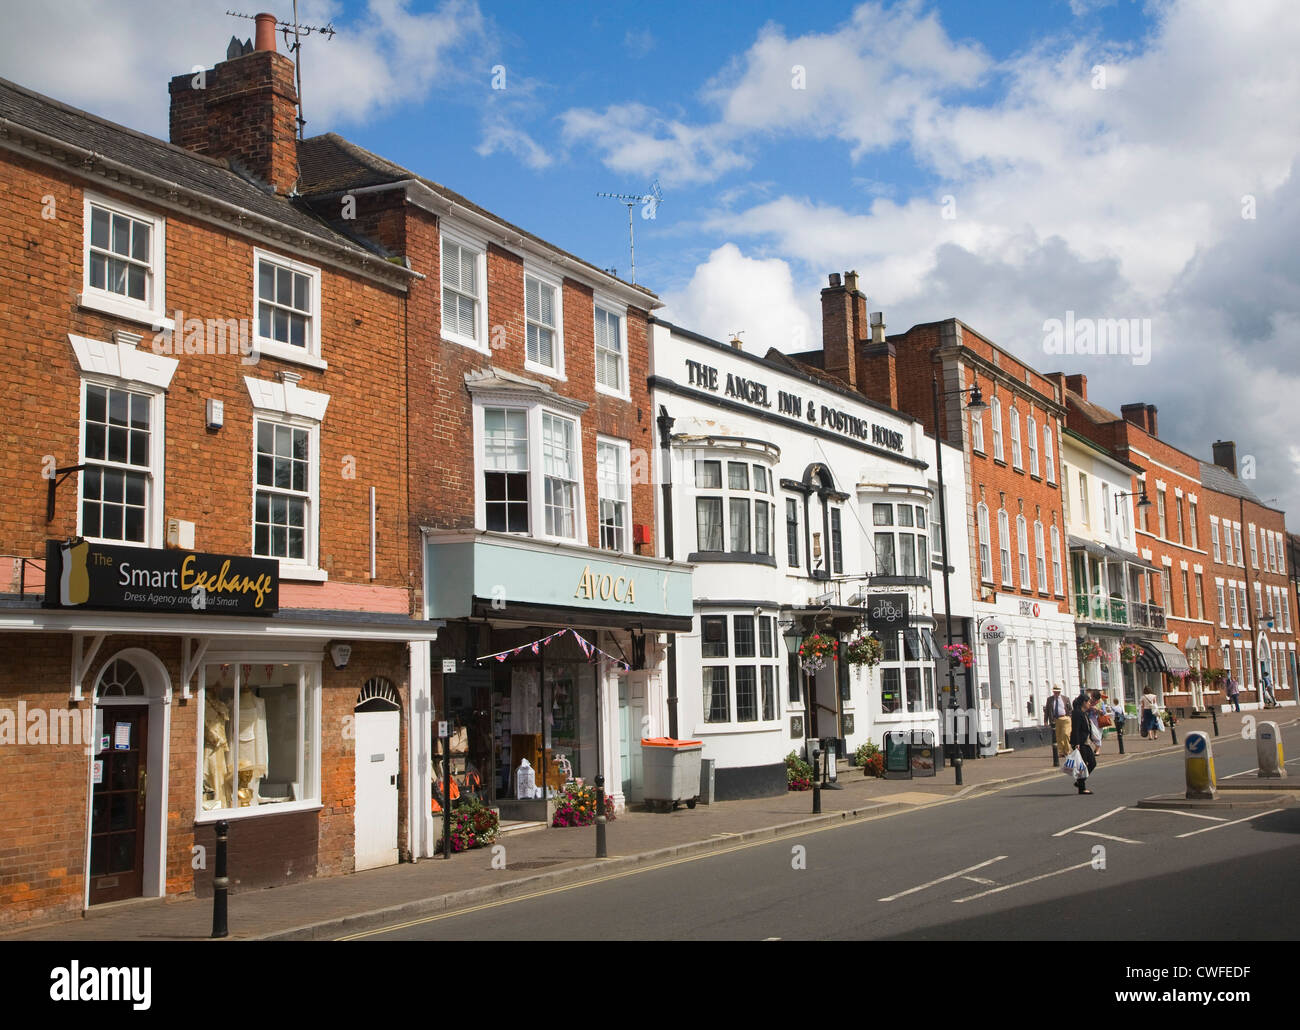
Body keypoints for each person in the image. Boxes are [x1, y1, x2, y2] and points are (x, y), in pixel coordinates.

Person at [1070, 693, 1097, 794]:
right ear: (1083, 703)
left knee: (1092, 763)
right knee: (1083, 765)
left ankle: (1080, 781)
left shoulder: (1084, 712)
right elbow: (1075, 729)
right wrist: (1076, 743)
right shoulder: (1077, 713)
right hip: (1080, 742)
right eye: (1088, 702)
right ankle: (1082, 788)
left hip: (1085, 742)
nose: (1090, 703)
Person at [1044, 684, 1071, 756]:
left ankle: (1067, 751)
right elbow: (1047, 710)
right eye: (1055, 692)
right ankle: (1061, 752)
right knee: (1058, 737)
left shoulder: (1065, 698)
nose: (1056, 693)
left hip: (1065, 718)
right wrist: (1045, 721)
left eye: (1058, 692)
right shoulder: (1050, 699)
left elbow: (1070, 709)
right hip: (1055, 719)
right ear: (1053, 692)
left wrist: (1070, 717)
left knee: (1066, 735)